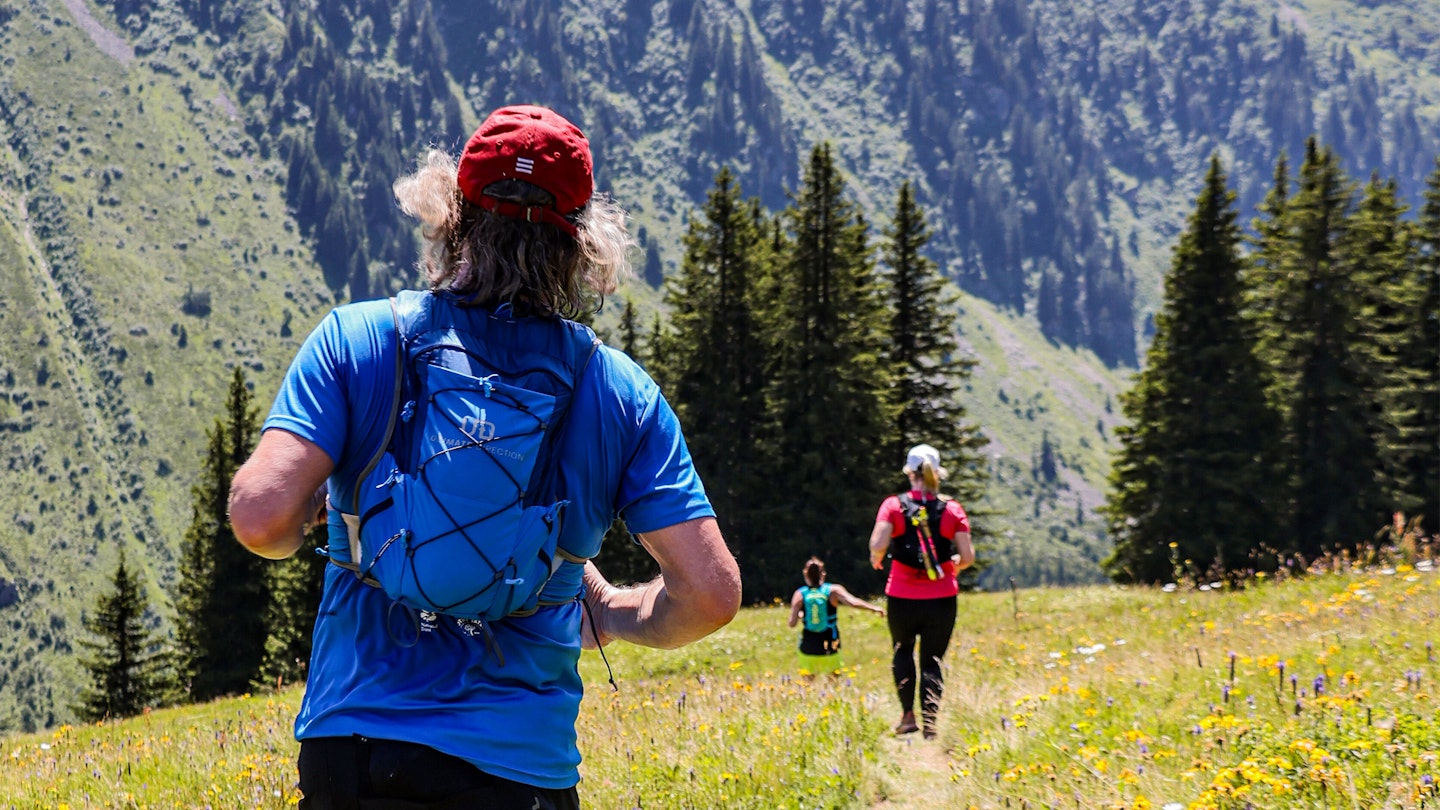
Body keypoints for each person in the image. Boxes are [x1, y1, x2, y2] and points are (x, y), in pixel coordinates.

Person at [228, 104, 742, 810]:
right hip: (519, 770)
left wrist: (311, 520)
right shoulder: (617, 391)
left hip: (355, 751)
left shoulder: (360, 339)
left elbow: (260, 517)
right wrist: (621, 614)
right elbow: (711, 593)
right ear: (582, 242)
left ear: (452, 212)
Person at [868, 443, 973, 740]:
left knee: (902, 652)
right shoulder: (952, 508)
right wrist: (953, 565)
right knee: (932, 659)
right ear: (936, 473)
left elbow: (877, 544)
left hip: (902, 596)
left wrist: (877, 559)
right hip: (942, 597)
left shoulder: (893, 505)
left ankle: (907, 716)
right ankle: (930, 722)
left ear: (909, 472)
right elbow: (967, 556)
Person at [787, 556, 884, 675]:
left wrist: (802, 615)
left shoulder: (800, 594)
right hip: (831, 643)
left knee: (808, 686)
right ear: (823, 573)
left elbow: (792, 623)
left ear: (805, 574)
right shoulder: (833, 590)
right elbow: (853, 603)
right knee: (833, 683)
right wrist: (874, 608)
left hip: (808, 646)